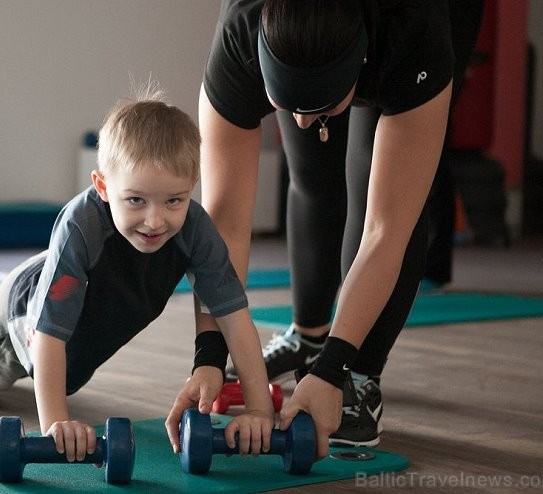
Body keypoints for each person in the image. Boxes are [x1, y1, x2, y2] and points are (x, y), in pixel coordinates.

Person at [170, 0, 484, 459]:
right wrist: (209, 353)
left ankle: (359, 374)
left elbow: (385, 230)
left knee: (376, 183)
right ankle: (309, 336)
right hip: (312, 37)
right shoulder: (239, 38)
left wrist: (334, 370)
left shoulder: (412, 34)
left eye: (317, 106)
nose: (298, 120)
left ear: (360, 63)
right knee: (312, 173)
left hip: (421, 21)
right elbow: (224, 226)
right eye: (286, 104)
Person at [0, 85, 275, 461]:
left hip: (78, 333)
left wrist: (259, 412)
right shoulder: (81, 225)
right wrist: (56, 424)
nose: (155, 221)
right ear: (103, 186)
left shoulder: (197, 231)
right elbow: (48, 335)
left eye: (174, 200)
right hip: (23, 316)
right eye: (136, 200)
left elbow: (235, 319)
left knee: (68, 378)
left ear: (192, 186)